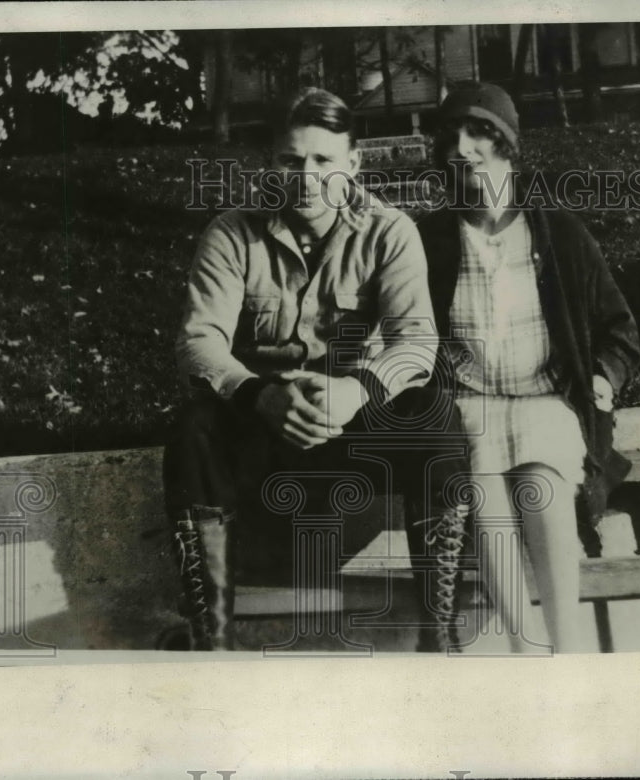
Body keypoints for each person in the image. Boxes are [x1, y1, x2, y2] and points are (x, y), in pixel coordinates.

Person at [163, 87, 470, 652]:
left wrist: (357, 391)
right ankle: (213, 644)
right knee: (193, 429)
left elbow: (416, 342)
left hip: (355, 427)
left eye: (324, 161)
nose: (306, 176)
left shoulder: (389, 231)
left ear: (353, 164)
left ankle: (440, 634)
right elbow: (198, 342)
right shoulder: (232, 233)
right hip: (265, 432)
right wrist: (258, 395)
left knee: (434, 414)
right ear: (271, 163)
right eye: (291, 159)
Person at [416, 82, 640, 653]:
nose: (463, 150)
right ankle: (526, 652)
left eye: (479, 135)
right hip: (469, 403)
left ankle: (567, 652)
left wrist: (603, 377)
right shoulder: (430, 241)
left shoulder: (559, 234)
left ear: (507, 147)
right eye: (453, 138)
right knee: (486, 493)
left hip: (546, 400)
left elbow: (621, 330)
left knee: (541, 485)